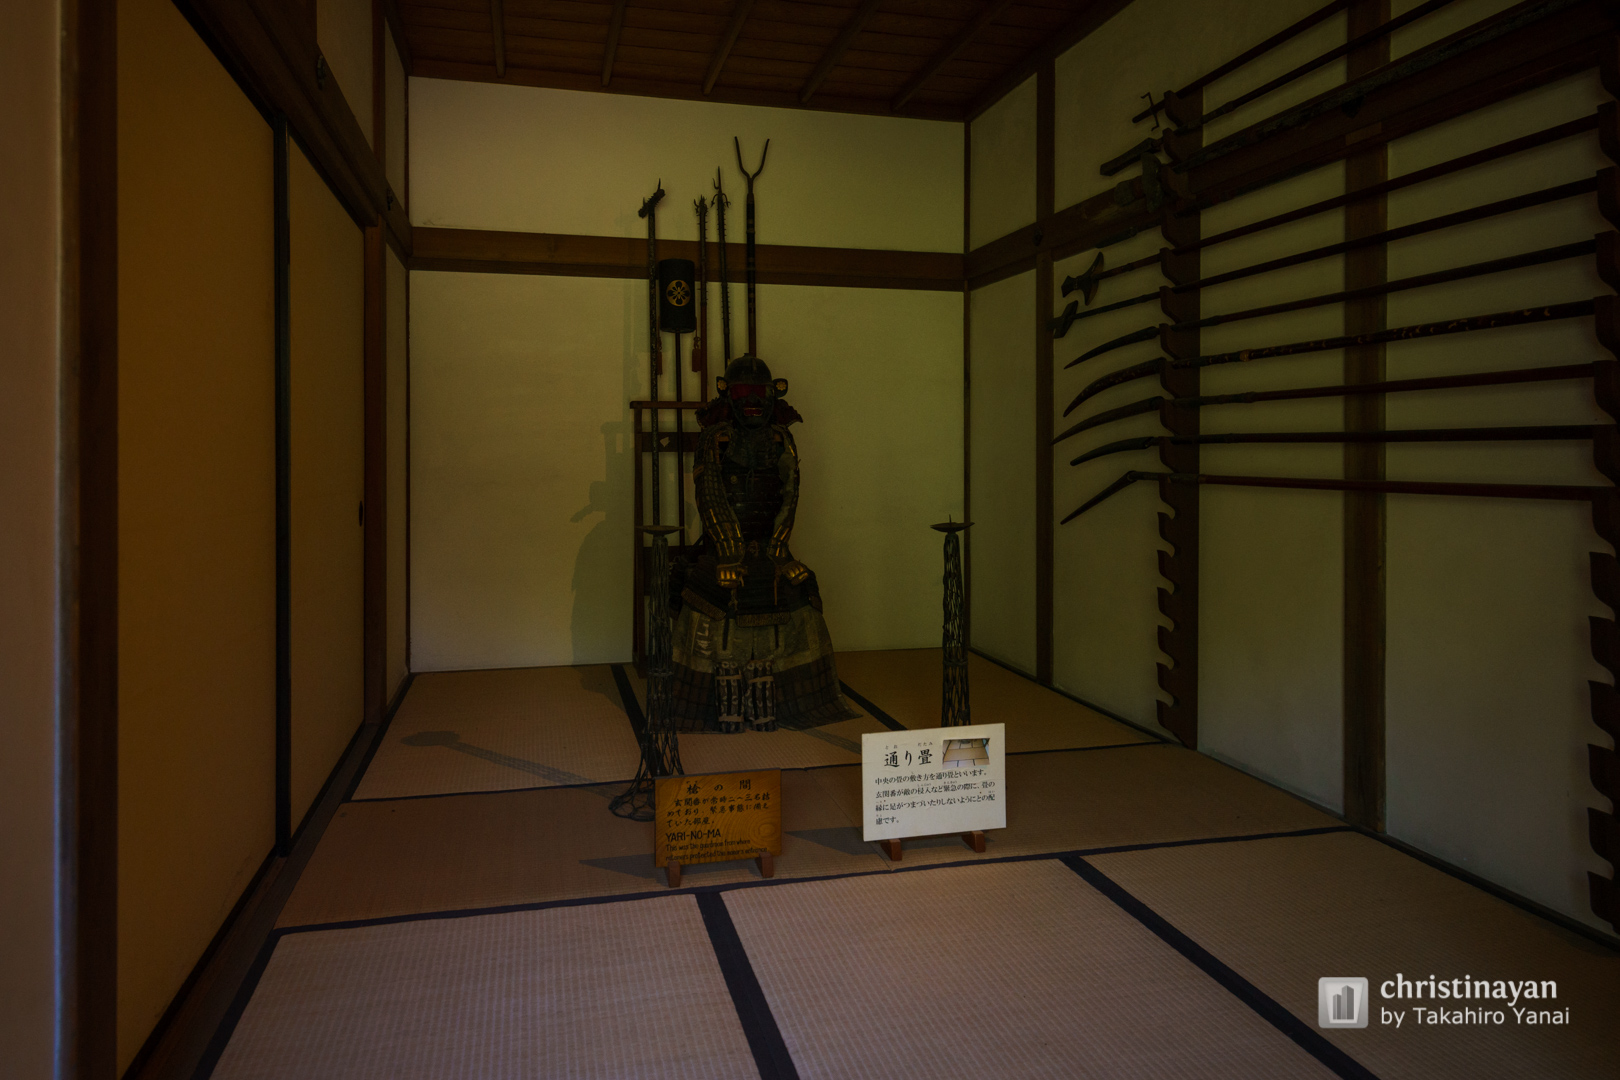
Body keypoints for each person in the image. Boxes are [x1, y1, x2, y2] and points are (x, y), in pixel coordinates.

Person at [667, 354, 856, 733]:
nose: (752, 400)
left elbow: (790, 496)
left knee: (802, 588)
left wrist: (778, 548)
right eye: (743, 391)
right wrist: (729, 552)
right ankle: (710, 698)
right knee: (711, 592)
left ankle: (796, 695)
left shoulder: (780, 437)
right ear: (728, 394)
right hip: (721, 548)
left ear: (774, 393)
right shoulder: (714, 440)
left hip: (770, 546)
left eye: (759, 392)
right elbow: (711, 496)